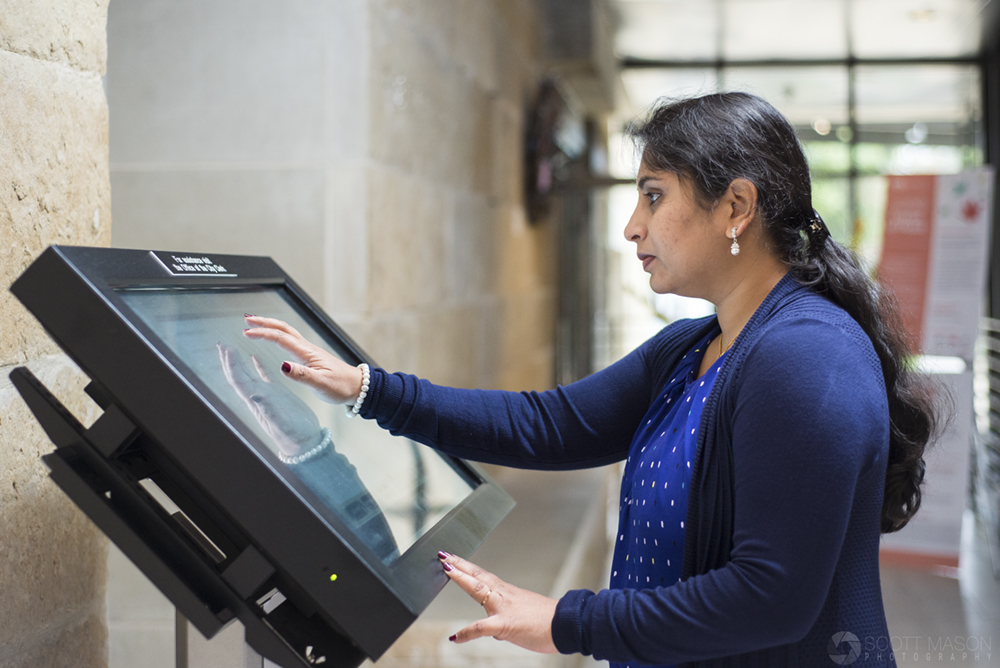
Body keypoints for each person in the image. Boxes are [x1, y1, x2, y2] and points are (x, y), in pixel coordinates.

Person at [241, 92, 938, 667]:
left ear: (736, 207)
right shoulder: (697, 346)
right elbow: (550, 424)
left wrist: (565, 621)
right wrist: (367, 388)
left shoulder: (805, 359)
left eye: (654, 197)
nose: (633, 227)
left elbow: (770, 598)